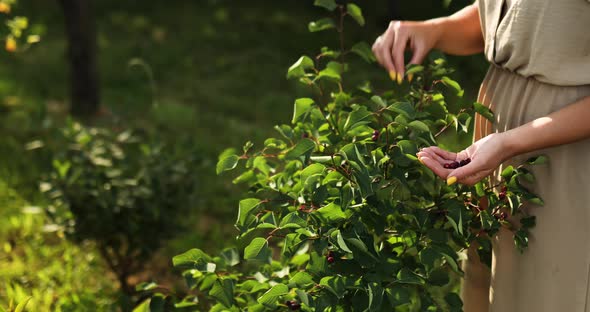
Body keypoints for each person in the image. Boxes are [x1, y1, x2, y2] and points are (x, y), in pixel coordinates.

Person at [372, 1, 590, 311]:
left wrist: (510, 142)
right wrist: (434, 30)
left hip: (565, 155)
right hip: (500, 139)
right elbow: (516, 19)